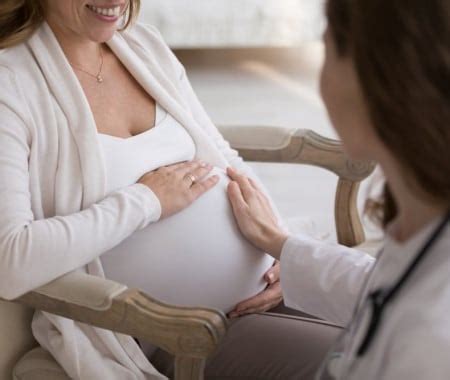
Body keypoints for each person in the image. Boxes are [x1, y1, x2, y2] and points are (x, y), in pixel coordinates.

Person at [0, 1, 341, 379]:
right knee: (367, 357)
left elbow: (222, 155)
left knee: (399, 320)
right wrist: (147, 201)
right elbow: (11, 259)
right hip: (183, 332)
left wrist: (280, 246)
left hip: (269, 290)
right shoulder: (10, 83)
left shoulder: (141, 45)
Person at [227, 0, 450, 378]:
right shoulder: (422, 219)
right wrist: (283, 245)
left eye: (326, 47)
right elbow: (381, 285)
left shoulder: (427, 343)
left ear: (379, 81)